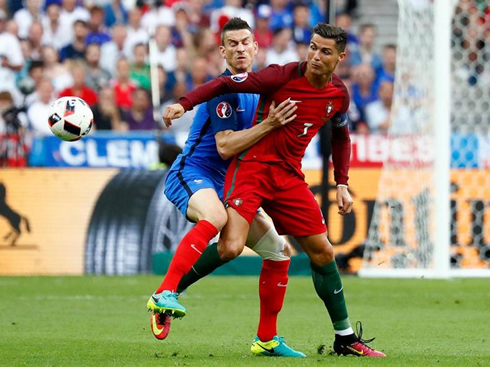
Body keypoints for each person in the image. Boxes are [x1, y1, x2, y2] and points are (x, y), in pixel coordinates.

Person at [163, 22, 386, 358]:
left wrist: (342, 182)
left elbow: (341, 135)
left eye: (324, 51)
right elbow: (224, 82)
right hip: (251, 170)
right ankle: (168, 292)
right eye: (312, 47)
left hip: (288, 177)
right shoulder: (281, 76)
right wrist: (185, 103)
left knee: (321, 252)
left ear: (340, 57)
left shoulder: (338, 94)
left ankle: (343, 337)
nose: (315, 55)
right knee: (230, 247)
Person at [148, 18, 303, 357]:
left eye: (245, 42)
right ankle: (165, 293)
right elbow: (225, 147)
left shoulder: (262, 88)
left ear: (256, 46)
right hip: (194, 171)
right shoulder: (225, 91)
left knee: (275, 251)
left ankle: (266, 339)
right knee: (215, 217)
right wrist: (270, 124)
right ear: (222, 51)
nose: (240, 48)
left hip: (233, 184)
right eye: (232, 44)